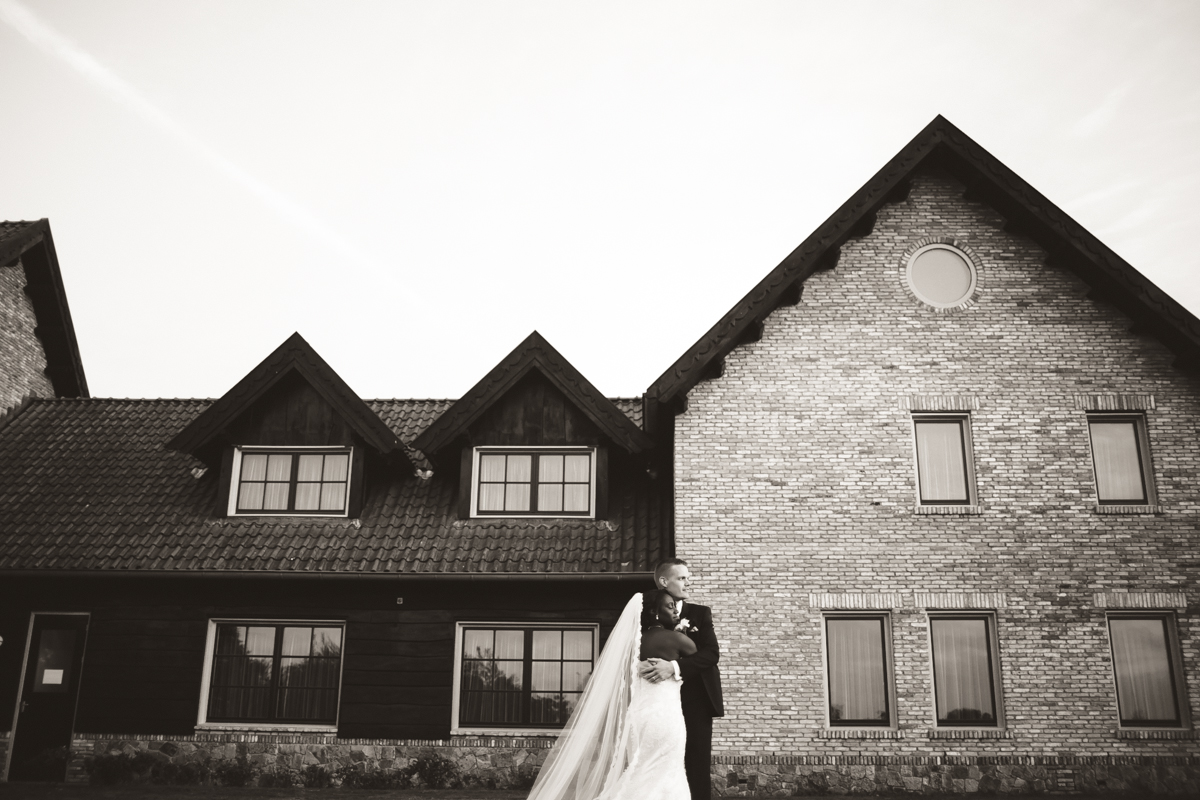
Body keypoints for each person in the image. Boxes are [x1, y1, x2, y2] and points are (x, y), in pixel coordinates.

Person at [524, 589, 697, 800]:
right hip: (666, 718)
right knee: (666, 770)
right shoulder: (679, 640)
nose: (675, 610)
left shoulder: (633, 646)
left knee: (644, 767)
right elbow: (698, 663)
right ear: (654, 611)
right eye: (670, 606)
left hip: (639, 718)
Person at [637, 559, 723, 800]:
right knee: (658, 760)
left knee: (696, 761)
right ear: (665, 581)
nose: (688, 582)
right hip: (658, 703)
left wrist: (673, 667)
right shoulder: (644, 614)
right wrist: (638, 666)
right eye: (682, 578)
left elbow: (711, 654)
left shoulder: (700, 613)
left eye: (688, 577)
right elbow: (632, 649)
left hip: (696, 698)